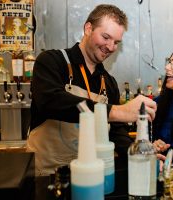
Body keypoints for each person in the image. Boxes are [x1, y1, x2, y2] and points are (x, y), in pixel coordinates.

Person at [27, 4, 157, 176]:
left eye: (116, 42)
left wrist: (140, 157)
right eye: (106, 37)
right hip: (48, 174)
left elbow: (117, 134)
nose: (110, 47)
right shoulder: (52, 61)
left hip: (91, 175)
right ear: (88, 28)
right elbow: (50, 101)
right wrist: (118, 111)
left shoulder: (108, 83)